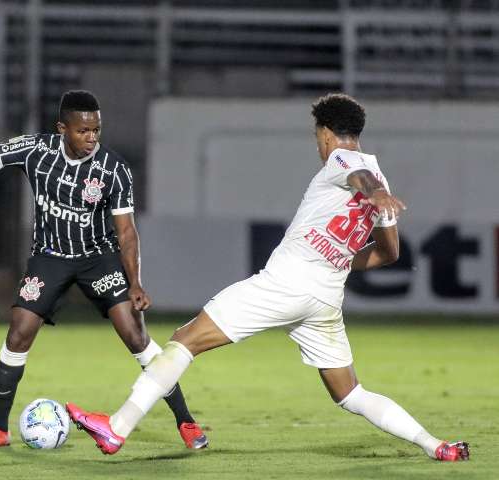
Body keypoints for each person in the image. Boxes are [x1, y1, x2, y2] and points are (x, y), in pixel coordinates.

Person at [66, 93, 469, 461]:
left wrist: (372, 193)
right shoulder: (382, 180)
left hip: (285, 284)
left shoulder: (344, 163)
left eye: (318, 136)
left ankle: (116, 428)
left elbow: (356, 178)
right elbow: (389, 253)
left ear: (327, 133)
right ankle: (436, 446)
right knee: (350, 393)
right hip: (325, 298)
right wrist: (346, 252)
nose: (318, 144)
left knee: (184, 340)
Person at [0, 90, 208, 450]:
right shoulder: (37, 149)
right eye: (84, 131)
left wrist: (136, 284)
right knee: (19, 331)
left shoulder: (113, 169)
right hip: (49, 257)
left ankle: (187, 422)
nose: (92, 138)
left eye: (96, 130)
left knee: (135, 334)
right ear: (62, 129)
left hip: (98, 258)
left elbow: (127, 232)